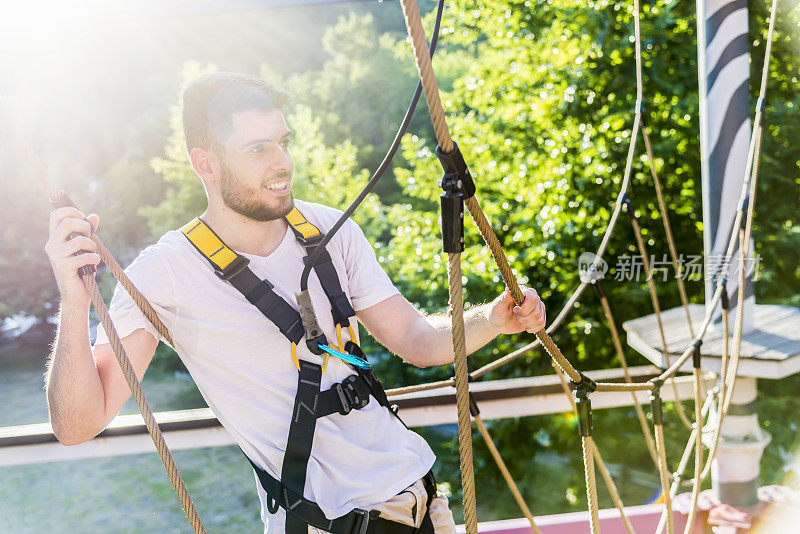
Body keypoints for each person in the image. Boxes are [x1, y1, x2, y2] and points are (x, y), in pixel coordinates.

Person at [44, 72, 546, 533]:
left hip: (424, 504)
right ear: (206, 163)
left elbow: (417, 341)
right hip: (327, 522)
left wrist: (493, 318)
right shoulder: (166, 273)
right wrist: (73, 299)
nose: (282, 161)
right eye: (258, 148)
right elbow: (77, 424)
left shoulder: (331, 229)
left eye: (283, 142)